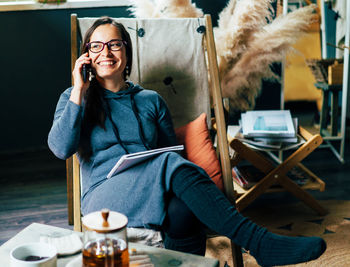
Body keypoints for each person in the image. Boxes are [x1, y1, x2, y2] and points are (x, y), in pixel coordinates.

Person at [48, 16, 326, 266]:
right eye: (95, 46)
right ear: (86, 55)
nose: (105, 52)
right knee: (169, 164)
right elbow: (61, 149)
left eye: (114, 44)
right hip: (103, 196)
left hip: (149, 187)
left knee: (183, 208)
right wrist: (79, 91)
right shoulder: (73, 97)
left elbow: (170, 153)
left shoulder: (151, 100)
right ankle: (259, 242)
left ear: (126, 52)